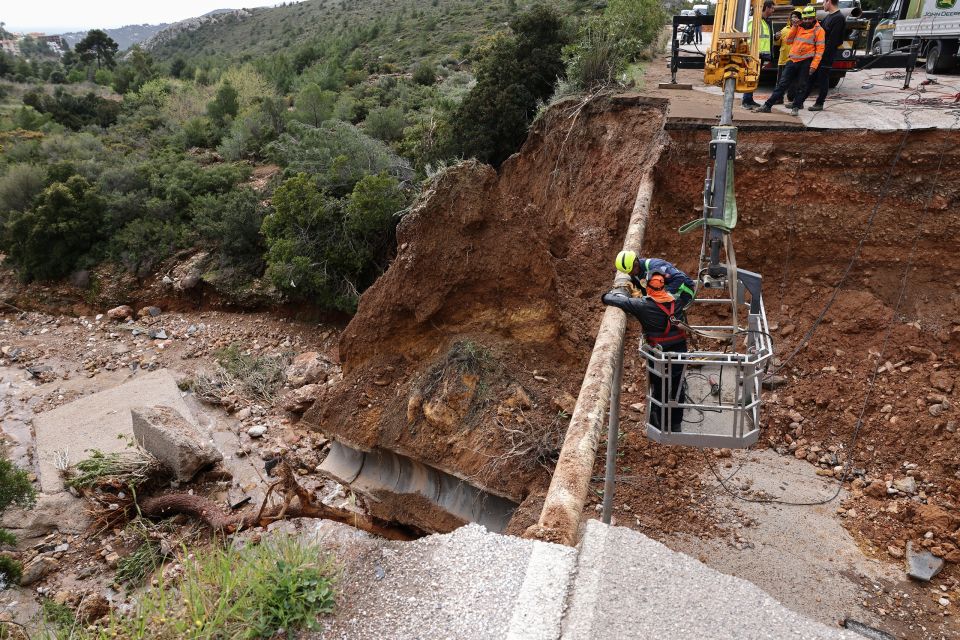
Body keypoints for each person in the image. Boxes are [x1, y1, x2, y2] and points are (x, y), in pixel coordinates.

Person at [602, 270, 688, 432]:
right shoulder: (675, 302)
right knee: (678, 385)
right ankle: (675, 423)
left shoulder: (642, 305)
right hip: (679, 349)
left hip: (658, 352)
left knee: (659, 384)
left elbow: (608, 298)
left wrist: (617, 293)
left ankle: (659, 421)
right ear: (664, 286)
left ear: (647, 286)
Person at [754, 5, 825, 116]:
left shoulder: (819, 30)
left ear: (814, 17)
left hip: (806, 62)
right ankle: (767, 105)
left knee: (801, 86)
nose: (807, 21)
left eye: (809, 18)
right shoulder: (798, 27)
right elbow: (788, 41)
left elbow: (820, 50)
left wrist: (813, 66)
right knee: (782, 84)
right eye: (805, 19)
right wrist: (794, 27)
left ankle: (796, 107)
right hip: (792, 60)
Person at [614, 251, 696, 308]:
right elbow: (643, 288)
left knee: (661, 313)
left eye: (631, 271)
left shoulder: (656, 266)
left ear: (636, 262)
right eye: (628, 273)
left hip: (684, 291)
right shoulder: (636, 272)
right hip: (668, 290)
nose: (631, 274)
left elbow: (679, 278)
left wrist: (663, 293)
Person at [806, 0, 845, 111]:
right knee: (810, 78)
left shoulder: (838, 18)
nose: (822, 5)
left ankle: (819, 103)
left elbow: (834, 41)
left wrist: (822, 55)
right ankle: (799, 102)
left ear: (829, 2)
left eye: (823, 2)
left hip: (825, 56)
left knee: (823, 79)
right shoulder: (829, 17)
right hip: (819, 55)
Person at [741, 0, 777, 109]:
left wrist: (774, 36)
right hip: (753, 55)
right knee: (751, 77)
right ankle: (746, 101)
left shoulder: (765, 21)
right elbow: (748, 38)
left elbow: (764, 37)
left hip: (760, 55)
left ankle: (749, 99)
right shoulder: (755, 21)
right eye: (772, 8)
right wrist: (748, 54)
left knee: (755, 78)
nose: (773, 10)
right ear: (766, 8)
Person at [773, 11, 803, 102]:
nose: (793, 19)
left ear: (800, 19)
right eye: (792, 17)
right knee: (780, 82)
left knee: (793, 82)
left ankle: (792, 98)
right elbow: (777, 43)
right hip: (783, 60)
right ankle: (778, 98)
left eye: (796, 17)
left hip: (795, 60)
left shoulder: (802, 30)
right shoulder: (785, 29)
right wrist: (776, 37)